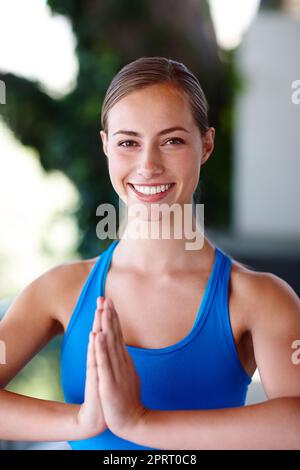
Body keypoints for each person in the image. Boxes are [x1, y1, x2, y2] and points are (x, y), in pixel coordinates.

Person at [0, 57, 299, 450]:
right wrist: (81, 420)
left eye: (172, 140)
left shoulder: (258, 299)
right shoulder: (59, 290)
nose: (148, 165)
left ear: (205, 145)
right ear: (106, 146)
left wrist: (141, 423)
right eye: (128, 142)